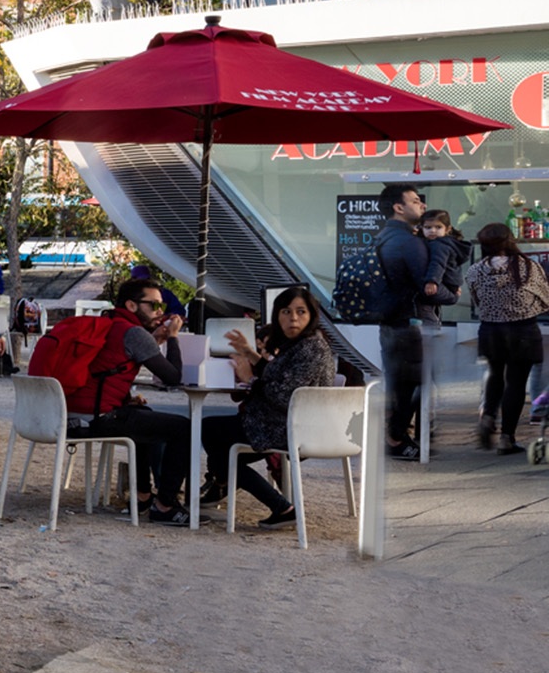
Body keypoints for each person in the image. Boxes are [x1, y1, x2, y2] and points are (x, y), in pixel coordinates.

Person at [197, 285, 338, 529]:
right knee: (215, 437)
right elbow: (276, 375)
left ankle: (274, 504)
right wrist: (250, 354)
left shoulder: (312, 348)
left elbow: (284, 394)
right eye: (286, 311)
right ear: (277, 315)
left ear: (312, 315)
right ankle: (227, 483)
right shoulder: (300, 344)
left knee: (210, 433)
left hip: (289, 427)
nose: (293, 318)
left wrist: (250, 378)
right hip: (284, 422)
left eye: (301, 312)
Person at [77, 276, 194, 522]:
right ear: (131, 306)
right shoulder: (134, 332)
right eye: (153, 305)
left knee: (144, 417)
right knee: (184, 427)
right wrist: (172, 337)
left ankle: (141, 498)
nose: (159, 311)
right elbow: (172, 377)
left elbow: (113, 362)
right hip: (99, 417)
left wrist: (155, 339)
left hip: (76, 410)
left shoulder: (109, 321)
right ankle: (164, 505)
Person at [365, 183, 444, 457]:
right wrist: (453, 294)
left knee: (403, 382)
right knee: (413, 383)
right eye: (414, 200)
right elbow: (427, 288)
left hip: (393, 323)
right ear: (399, 207)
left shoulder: (384, 237)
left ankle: (401, 436)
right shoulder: (407, 242)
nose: (421, 205)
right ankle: (396, 437)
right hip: (409, 324)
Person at [468, 223, 549, 454]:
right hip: (522, 329)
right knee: (516, 383)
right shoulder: (528, 268)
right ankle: (507, 437)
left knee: (495, 375)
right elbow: (545, 298)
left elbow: (477, 300)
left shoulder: (476, 270)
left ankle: (488, 416)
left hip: (490, 330)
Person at [418, 209, 469, 324]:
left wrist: (432, 281)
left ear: (448, 229)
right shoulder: (444, 242)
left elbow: (438, 263)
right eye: (428, 227)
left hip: (445, 283)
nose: (433, 231)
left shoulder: (439, 245)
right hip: (450, 283)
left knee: (425, 305)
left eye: (438, 227)